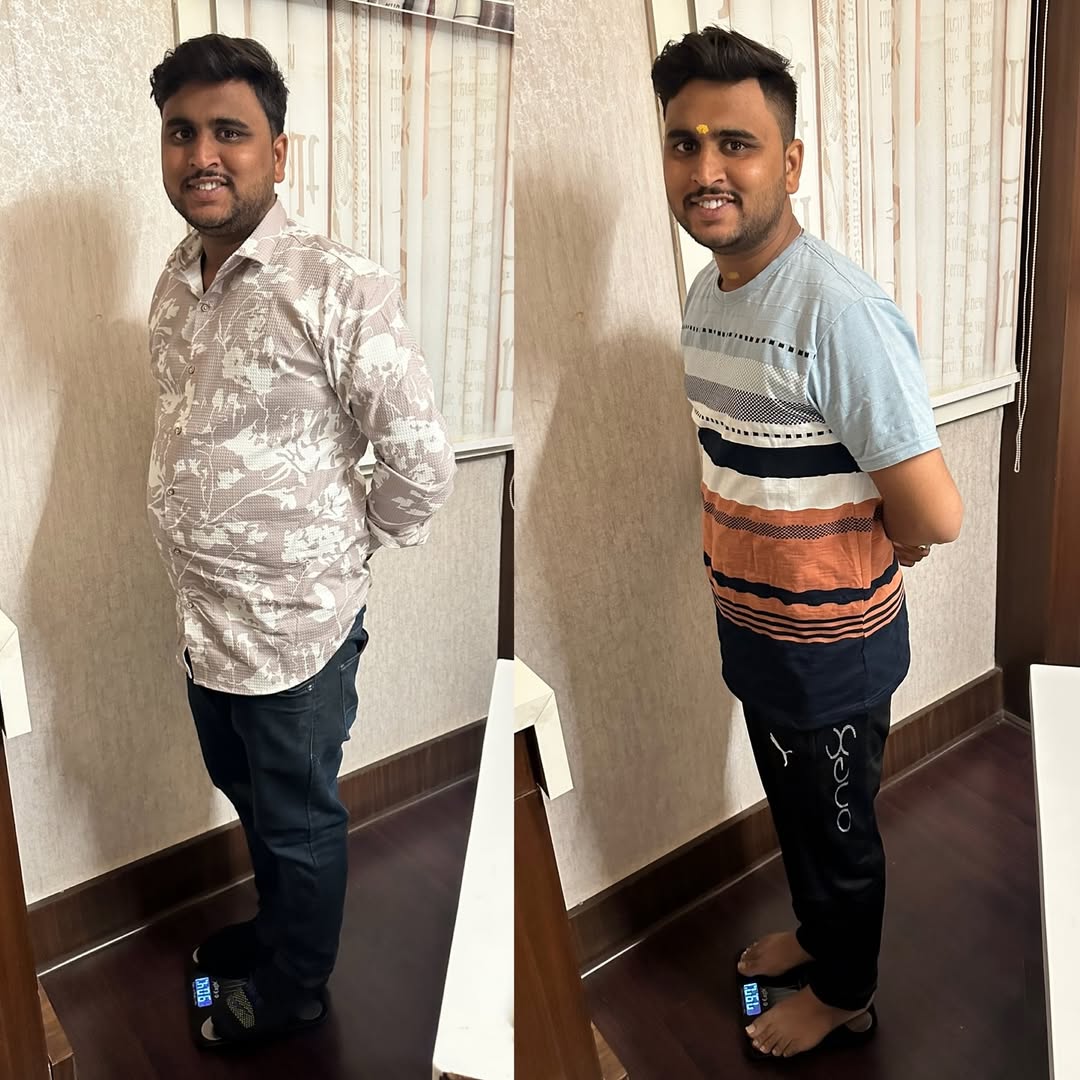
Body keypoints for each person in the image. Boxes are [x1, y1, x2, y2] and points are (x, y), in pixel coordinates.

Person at [652, 27, 963, 1060]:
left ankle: (844, 994)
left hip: (833, 652)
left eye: (736, 143)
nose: (706, 168)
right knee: (801, 818)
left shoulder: (838, 309)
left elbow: (935, 513)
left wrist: (894, 547)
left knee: (838, 837)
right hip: (754, 629)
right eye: (685, 143)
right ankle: (819, 935)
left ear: (789, 162)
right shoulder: (708, 294)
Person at [146, 34, 455, 1048]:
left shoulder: (337, 284)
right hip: (206, 622)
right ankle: (278, 929)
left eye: (229, 132)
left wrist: (344, 549)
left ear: (277, 152)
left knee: (299, 816)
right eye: (182, 132)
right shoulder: (176, 281)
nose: (203, 154)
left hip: (295, 633)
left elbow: (421, 462)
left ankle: (295, 987)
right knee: (248, 793)